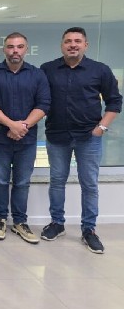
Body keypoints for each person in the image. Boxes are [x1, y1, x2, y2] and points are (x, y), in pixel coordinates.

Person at [40, 27, 122, 254]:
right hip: (57, 136)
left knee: (89, 184)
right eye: (68, 41)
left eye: (77, 41)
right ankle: (57, 223)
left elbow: (114, 102)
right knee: (57, 181)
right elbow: (40, 99)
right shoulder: (48, 69)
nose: (73, 45)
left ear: (86, 45)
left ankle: (89, 230)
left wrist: (101, 128)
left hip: (89, 137)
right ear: (62, 45)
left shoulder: (100, 70)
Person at [0, 33, 50, 243]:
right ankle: (0, 219)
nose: (15, 50)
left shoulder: (37, 75)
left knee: (22, 182)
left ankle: (20, 222)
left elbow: (44, 104)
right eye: (11, 46)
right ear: (4, 49)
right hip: (0, 138)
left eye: (20, 46)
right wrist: (11, 125)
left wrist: (23, 126)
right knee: (1, 180)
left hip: (27, 140)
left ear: (26, 49)